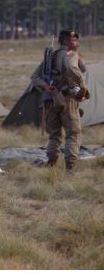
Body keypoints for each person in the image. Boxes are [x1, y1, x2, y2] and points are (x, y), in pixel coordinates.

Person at [31, 29, 89, 171]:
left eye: (76, 40)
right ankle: (70, 167)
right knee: (73, 134)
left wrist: (46, 87)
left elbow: (34, 77)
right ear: (65, 41)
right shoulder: (71, 55)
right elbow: (74, 68)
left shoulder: (51, 56)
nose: (76, 43)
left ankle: (51, 162)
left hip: (50, 100)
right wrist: (83, 88)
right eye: (73, 40)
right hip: (67, 99)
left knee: (54, 135)